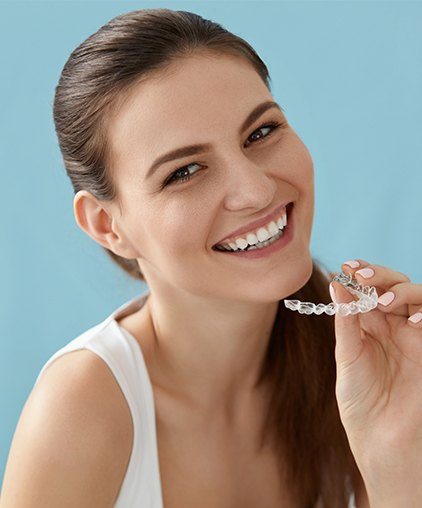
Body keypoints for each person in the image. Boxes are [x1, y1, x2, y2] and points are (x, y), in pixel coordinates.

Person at [2, 8, 421, 508]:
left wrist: (396, 462)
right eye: (184, 171)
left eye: (261, 133)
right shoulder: (84, 408)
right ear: (107, 226)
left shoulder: (365, 361)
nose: (256, 189)